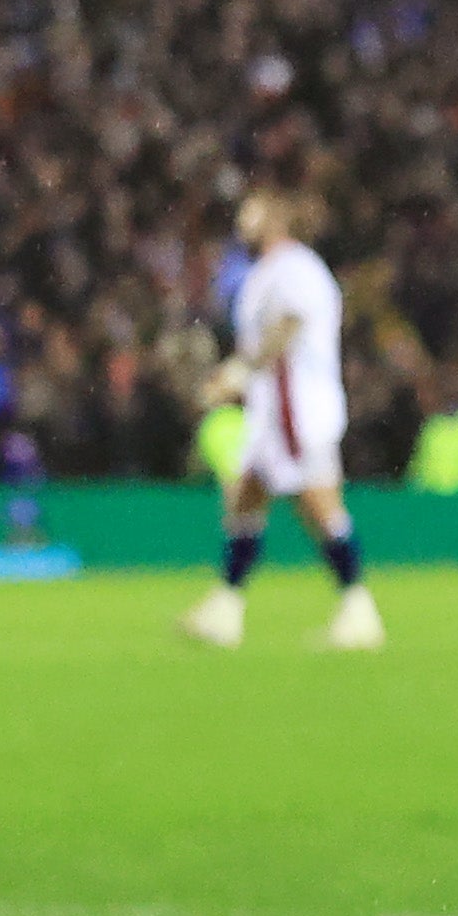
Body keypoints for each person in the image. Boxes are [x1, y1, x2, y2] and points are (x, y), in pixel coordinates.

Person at [180, 187, 384, 652]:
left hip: (297, 407)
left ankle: (358, 605)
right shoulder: (270, 271)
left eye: (251, 212)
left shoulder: (293, 267)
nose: (241, 220)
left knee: (318, 505)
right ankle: (226, 607)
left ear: (274, 219)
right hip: (275, 405)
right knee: (247, 496)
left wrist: (238, 371)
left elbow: (289, 326)